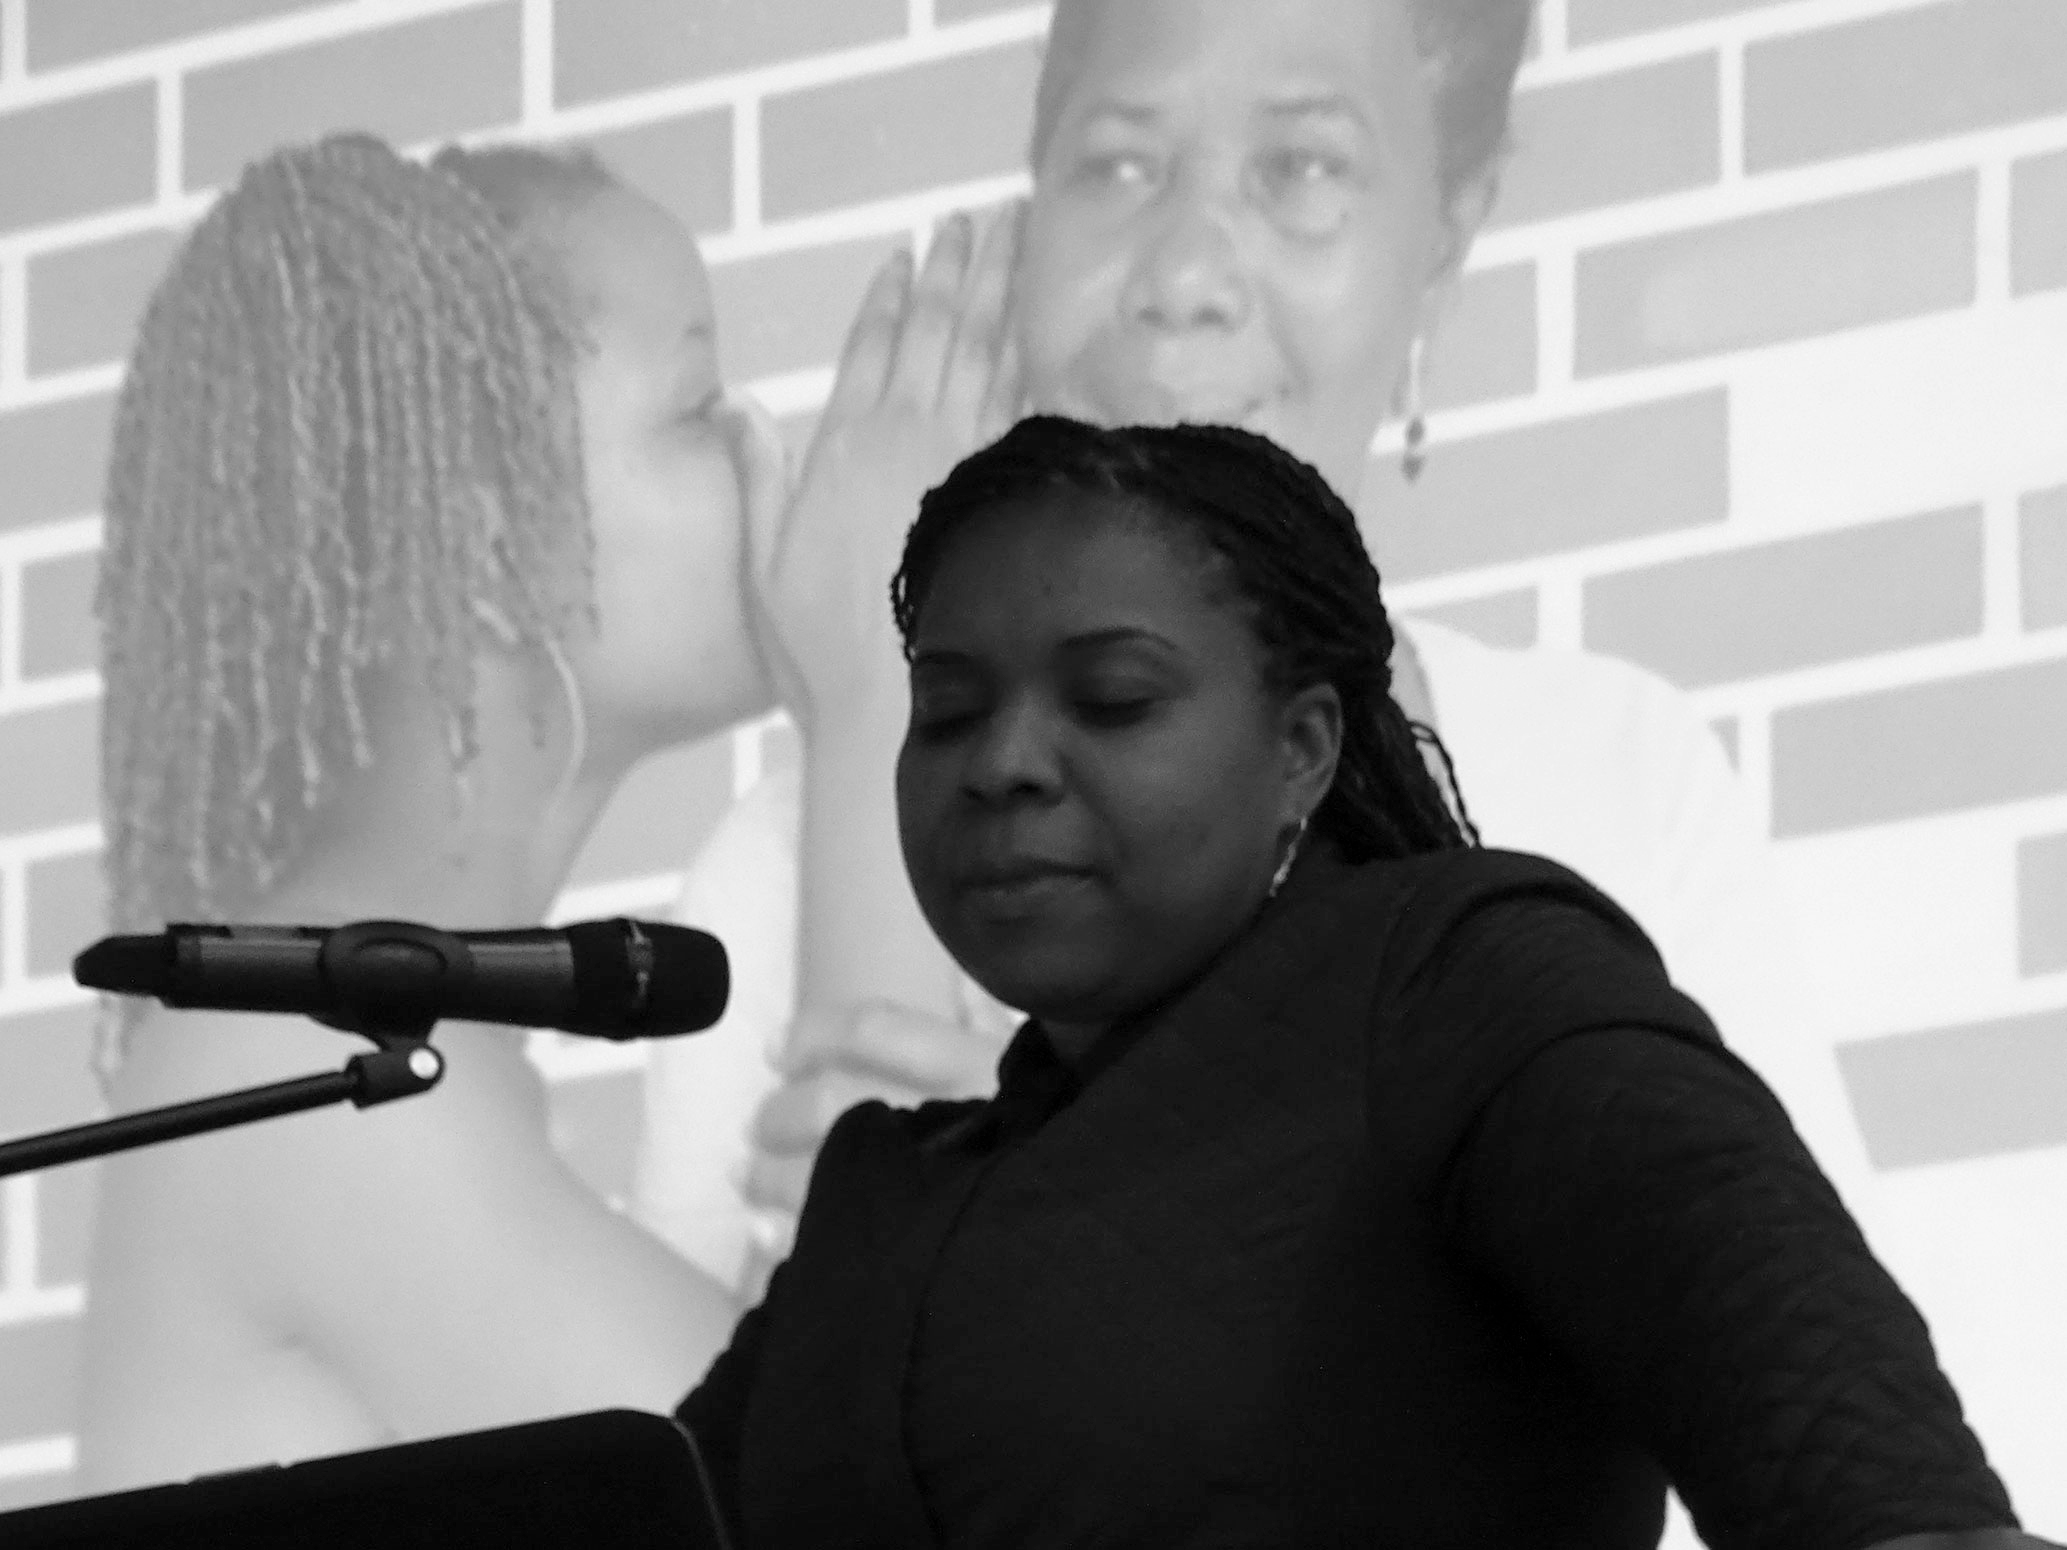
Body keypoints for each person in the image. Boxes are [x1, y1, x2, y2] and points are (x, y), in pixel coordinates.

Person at [633, 0, 1869, 1318]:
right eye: (1119, 165)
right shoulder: (782, 883)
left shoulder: (1621, 791)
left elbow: (1813, 1396)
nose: (1184, 275)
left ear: (1444, 237)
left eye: (1303, 168)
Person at [671, 415, 2051, 1548]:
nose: (1002, 763)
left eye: (1113, 698)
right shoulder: (880, 1206)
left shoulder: (1468, 990)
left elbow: (1873, 1482)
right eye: (949, 710)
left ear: (1304, 749)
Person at [77, 133, 768, 1488]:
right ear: (491, 544)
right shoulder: (292, 1069)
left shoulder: (371, 1041)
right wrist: (875, 707)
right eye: (699, 410)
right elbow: (825, 1486)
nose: (763, 449)